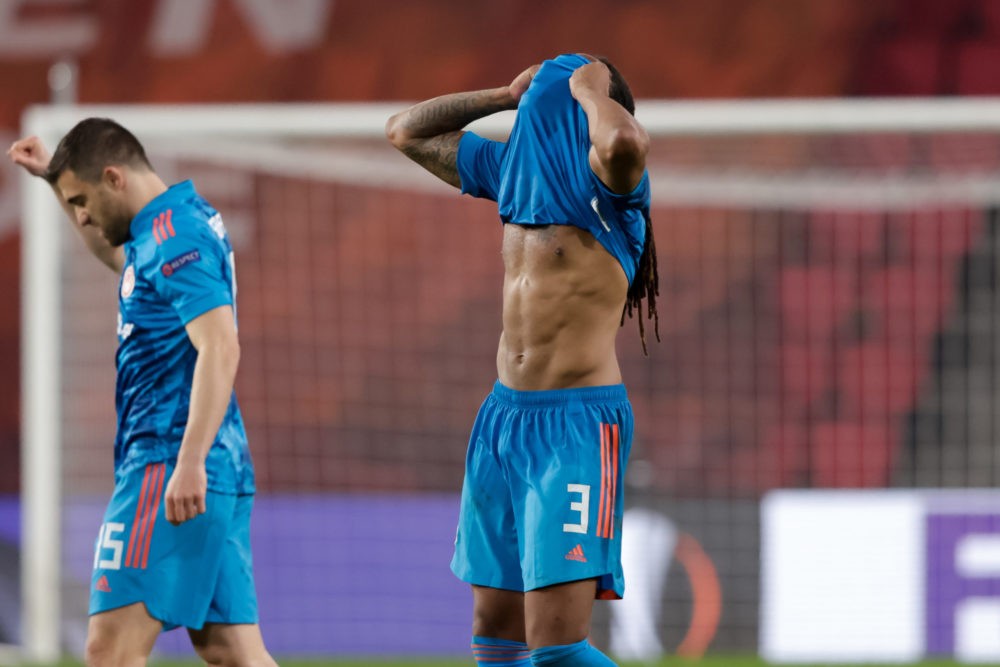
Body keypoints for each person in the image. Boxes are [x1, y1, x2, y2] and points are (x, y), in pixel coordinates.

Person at [386, 53, 658, 667]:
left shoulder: (612, 188)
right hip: (503, 421)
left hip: (576, 427)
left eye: (549, 94)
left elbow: (621, 137)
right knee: (496, 639)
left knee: (557, 650)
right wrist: (502, 95)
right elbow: (405, 130)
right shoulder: (512, 169)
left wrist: (591, 88)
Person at [8, 119, 277, 667]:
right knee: (234, 654)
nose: (81, 215)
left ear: (114, 177)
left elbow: (220, 347)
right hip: (203, 464)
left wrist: (189, 462)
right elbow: (120, 263)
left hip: (168, 463)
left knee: (110, 651)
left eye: (82, 199)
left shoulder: (175, 235)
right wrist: (52, 184)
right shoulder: (164, 229)